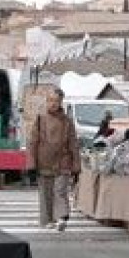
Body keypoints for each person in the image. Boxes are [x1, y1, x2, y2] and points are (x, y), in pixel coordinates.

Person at [27, 87, 81, 232]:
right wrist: (31, 164)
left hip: (62, 161)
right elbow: (33, 142)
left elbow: (73, 143)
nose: (53, 103)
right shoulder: (40, 119)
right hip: (43, 161)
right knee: (45, 193)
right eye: (50, 100)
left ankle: (62, 217)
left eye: (56, 101)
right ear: (46, 101)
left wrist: (76, 166)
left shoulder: (67, 121)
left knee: (60, 190)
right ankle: (47, 219)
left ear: (61, 102)